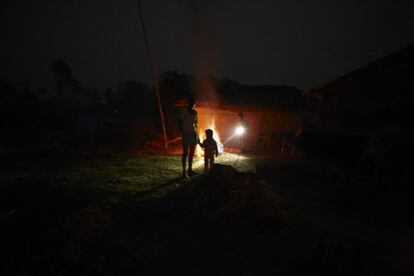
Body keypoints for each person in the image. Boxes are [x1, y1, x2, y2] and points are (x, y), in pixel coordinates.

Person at [178, 97, 198, 178]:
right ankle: (184, 171)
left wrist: (197, 134)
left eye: (193, 103)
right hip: (186, 133)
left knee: (191, 153)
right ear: (188, 103)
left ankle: (190, 170)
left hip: (193, 134)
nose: (192, 104)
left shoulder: (195, 112)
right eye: (191, 102)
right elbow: (179, 122)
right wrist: (182, 131)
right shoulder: (184, 112)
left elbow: (196, 124)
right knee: (185, 152)